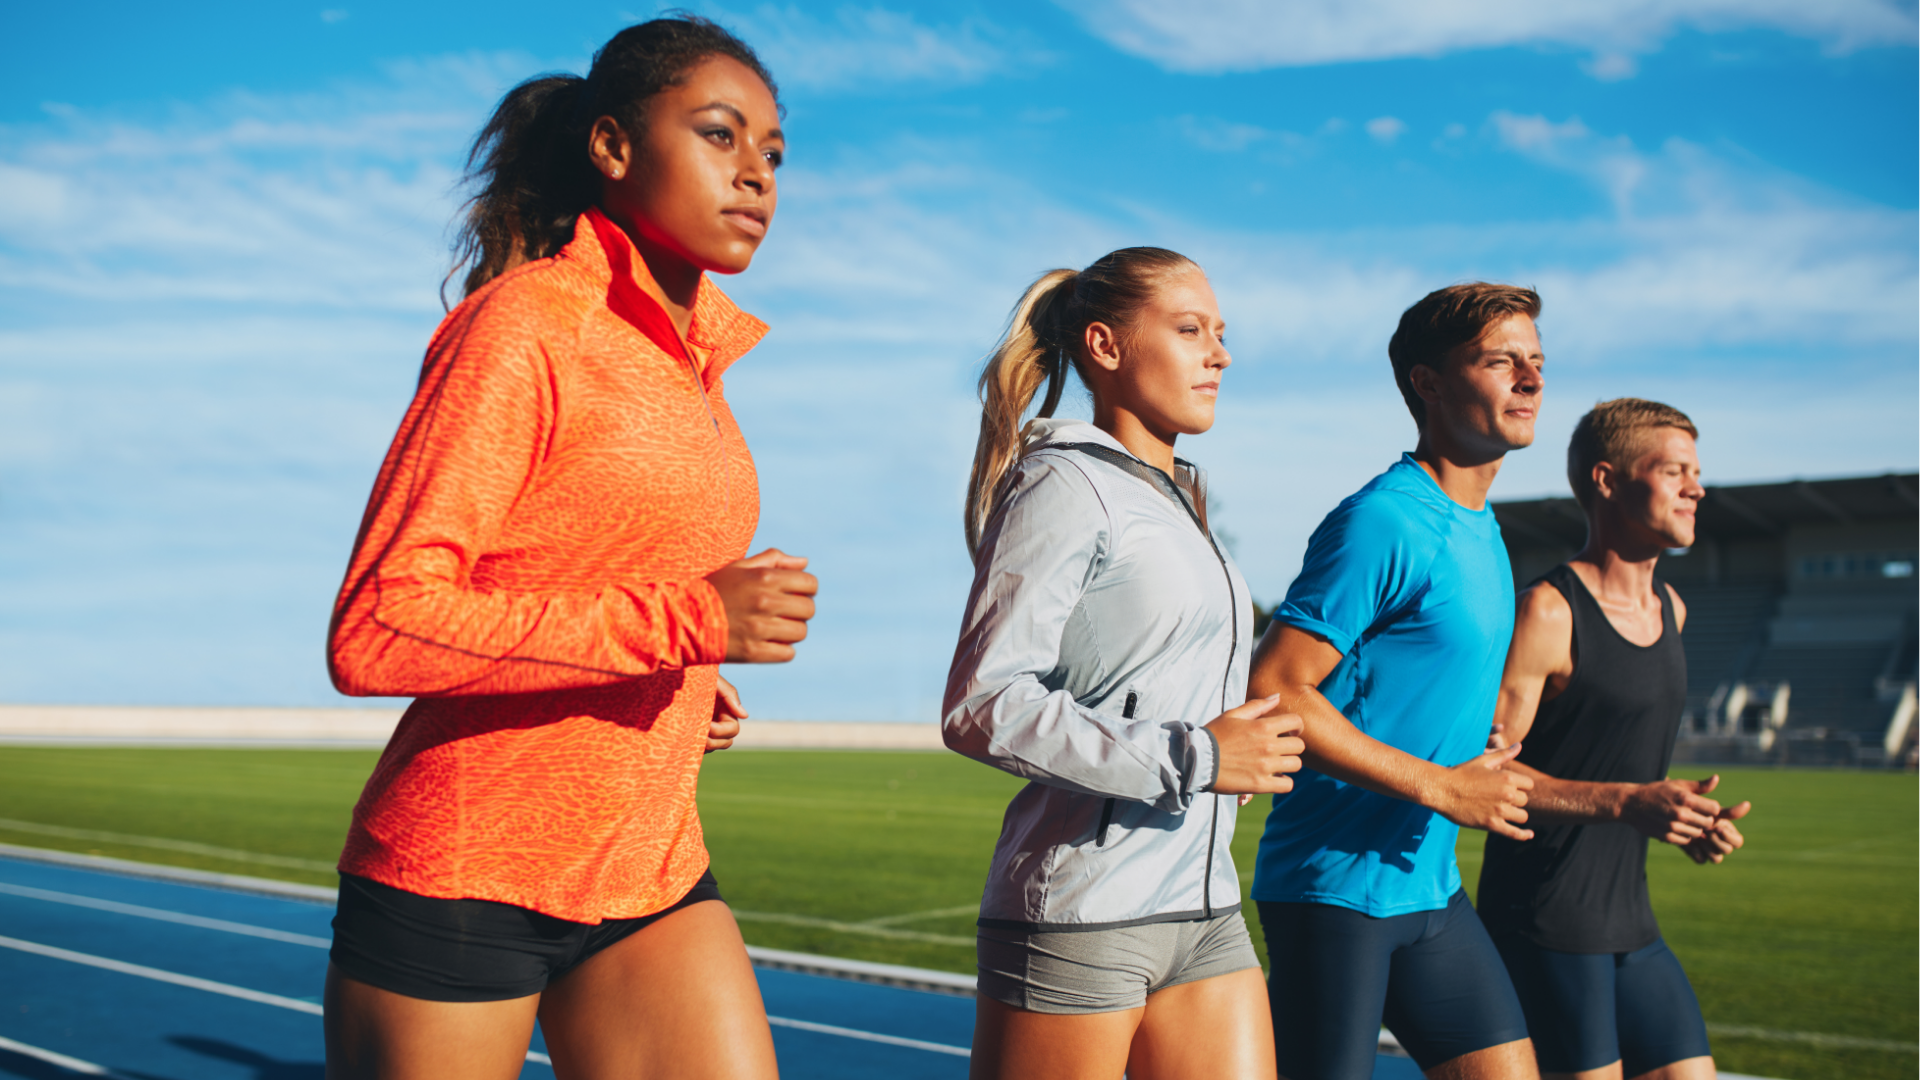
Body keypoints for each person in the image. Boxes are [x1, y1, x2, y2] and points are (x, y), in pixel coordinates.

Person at [321, 17, 816, 1080]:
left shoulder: (700, 368)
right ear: (612, 147)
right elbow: (378, 627)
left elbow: (592, 580)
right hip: (466, 876)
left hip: (649, 871)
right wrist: (690, 621)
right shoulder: (525, 329)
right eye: (722, 137)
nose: (757, 178)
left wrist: (690, 674)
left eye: (774, 154)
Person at [943, 249, 1305, 1080]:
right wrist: (1199, 755)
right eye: (1189, 330)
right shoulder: (1062, 483)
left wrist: (1237, 746)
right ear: (1104, 346)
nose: (1220, 354)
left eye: (1221, 335)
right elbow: (983, 703)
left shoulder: (1178, 498)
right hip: (1084, 916)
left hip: (1205, 906)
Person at [1247, 283, 1547, 1080]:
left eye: (1537, 362)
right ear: (1428, 382)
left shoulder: (1485, 529)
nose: (1530, 379)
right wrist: (1444, 789)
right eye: (1501, 361)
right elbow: (1277, 688)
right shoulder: (1384, 519)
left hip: (1430, 889)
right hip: (1333, 889)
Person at [1476, 399, 1751, 1080]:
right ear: (1606, 479)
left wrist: (1687, 817)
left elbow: (1625, 763)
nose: (1697, 488)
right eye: (1675, 470)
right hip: (1544, 920)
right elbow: (1486, 779)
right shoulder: (1548, 610)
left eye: (1698, 472)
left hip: (1632, 919)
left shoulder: (1673, 609)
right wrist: (1628, 801)